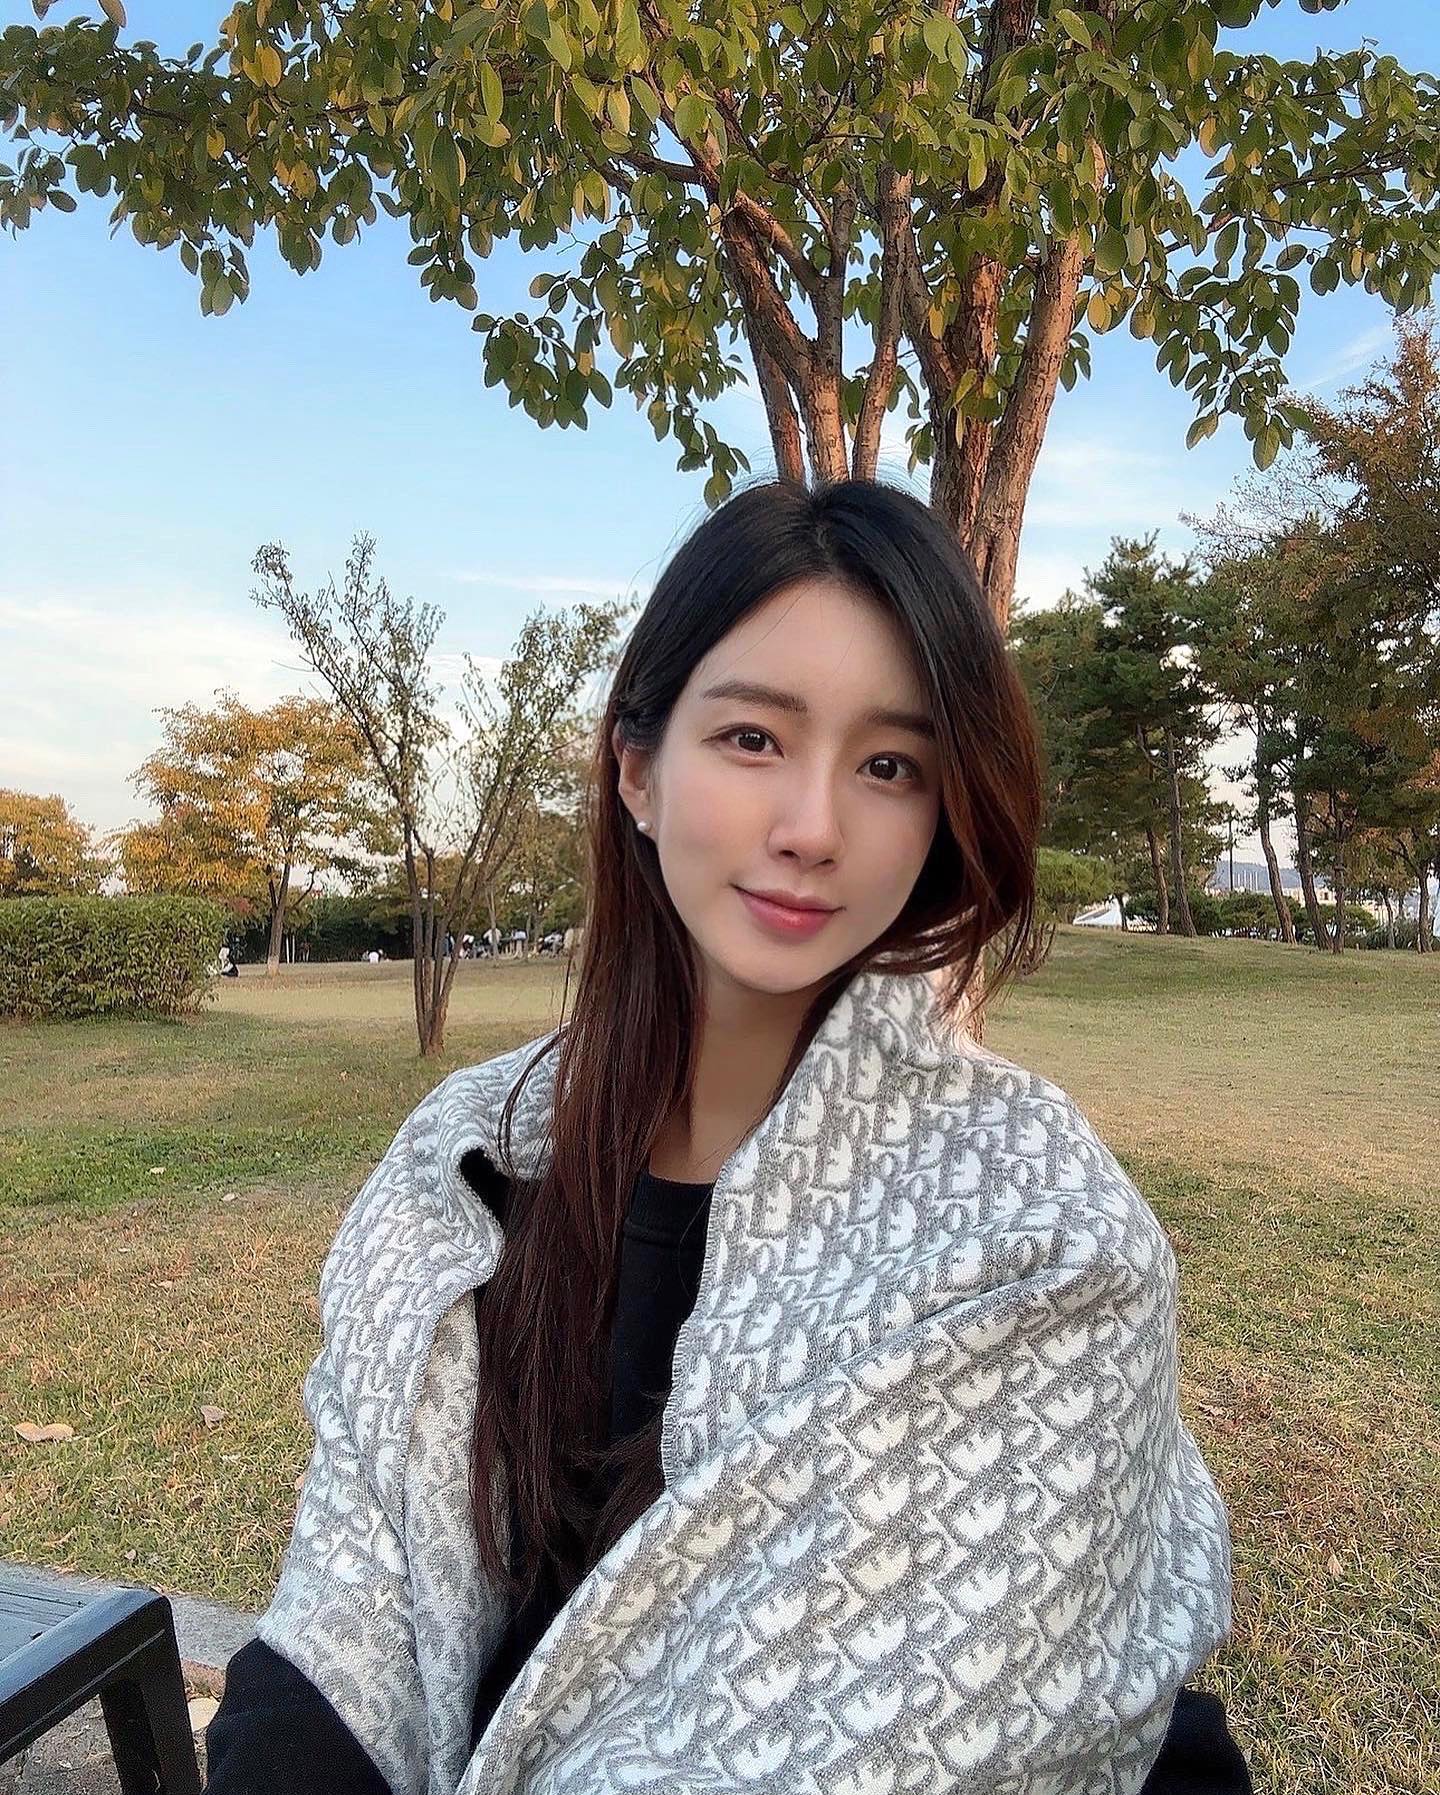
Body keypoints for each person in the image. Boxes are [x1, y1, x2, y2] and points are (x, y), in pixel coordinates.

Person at [205, 478, 1251, 1794]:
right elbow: (341, 1623)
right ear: (637, 769)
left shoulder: (1042, 1233)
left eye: (890, 766)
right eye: (754, 738)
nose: (813, 829)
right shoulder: (465, 1163)